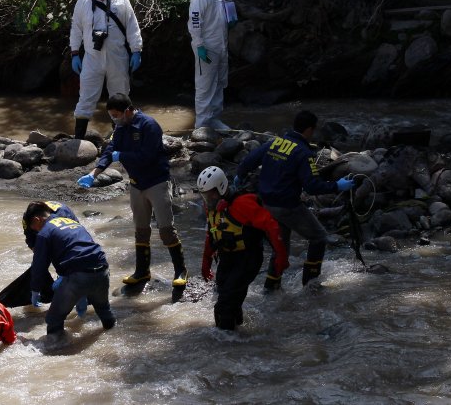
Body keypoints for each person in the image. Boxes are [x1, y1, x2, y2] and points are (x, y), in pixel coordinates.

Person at [77, 93, 188, 293]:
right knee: (141, 230)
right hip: (136, 185)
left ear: (128, 110)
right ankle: (142, 271)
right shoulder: (120, 127)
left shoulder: (149, 125)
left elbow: (147, 156)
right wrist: (94, 173)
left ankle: (180, 271)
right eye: (111, 115)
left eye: (116, 114)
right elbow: (111, 150)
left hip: (156, 182)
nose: (114, 119)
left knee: (165, 230)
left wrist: (123, 155)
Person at [235, 110, 355, 291]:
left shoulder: (274, 143)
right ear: (309, 130)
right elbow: (312, 187)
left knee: (281, 247)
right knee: (319, 237)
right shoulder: (303, 153)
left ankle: (271, 286)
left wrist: (239, 176)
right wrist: (337, 186)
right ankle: (311, 284)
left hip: (267, 204)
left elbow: (248, 161)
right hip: (287, 206)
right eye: (313, 130)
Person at [197, 166, 289, 330]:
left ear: (221, 187)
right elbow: (212, 233)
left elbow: (272, 227)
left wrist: (281, 256)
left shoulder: (242, 204)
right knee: (226, 293)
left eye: (211, 194)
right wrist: (206, 261)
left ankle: (225, 343)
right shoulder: (211, 208)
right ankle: (237, 332)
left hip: (248, 258)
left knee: (224, 304)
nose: (208, 199)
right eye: (204, 195)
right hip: (227, 256)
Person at [69, 0, 144, 140]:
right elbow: (76, 29)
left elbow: (132, 27)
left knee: (120, 96)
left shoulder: (121, 0)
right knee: (86, 97)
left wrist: (136, 50)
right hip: (91, 58)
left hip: (117, 57)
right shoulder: (83, 1)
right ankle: (78, 140)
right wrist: (74, 54)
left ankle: (121, 136)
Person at [23, 201, 116, 337]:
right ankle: (112, 335)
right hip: (102, 270)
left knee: (53, 319)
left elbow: (39, 265)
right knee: (104, 310)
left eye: (33, 227)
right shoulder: (71, 221)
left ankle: (55, 351)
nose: (35, 231)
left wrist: (35, 289)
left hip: (78, 276)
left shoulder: (44, 232)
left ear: (37, 219)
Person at [187, 0, 233, 131]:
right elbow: (195, 22)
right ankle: (202, 124)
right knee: (205, 85)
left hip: (220, 44)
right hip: (206, 47)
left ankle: (215, 118)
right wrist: (199, 45)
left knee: (220, 82)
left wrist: (231, 18)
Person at [21, 200, 88, 316]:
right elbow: (33, 244)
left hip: (67, 233)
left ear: (38, 220)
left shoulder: (63, 215)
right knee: (40, 262)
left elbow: (73, 243)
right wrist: (40, 260)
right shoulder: (28, 220)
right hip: (43, 223)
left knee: (70, 267)